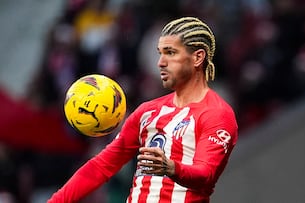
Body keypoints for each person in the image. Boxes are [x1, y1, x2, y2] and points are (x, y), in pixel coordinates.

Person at [48, 16, 238, 203]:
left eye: (170, 53)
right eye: (160, 53)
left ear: (197, 57)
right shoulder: (147, 112)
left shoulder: (217, 113)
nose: (160, 63)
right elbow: (100, 167)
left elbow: (206, 174)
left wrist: (172, 168)